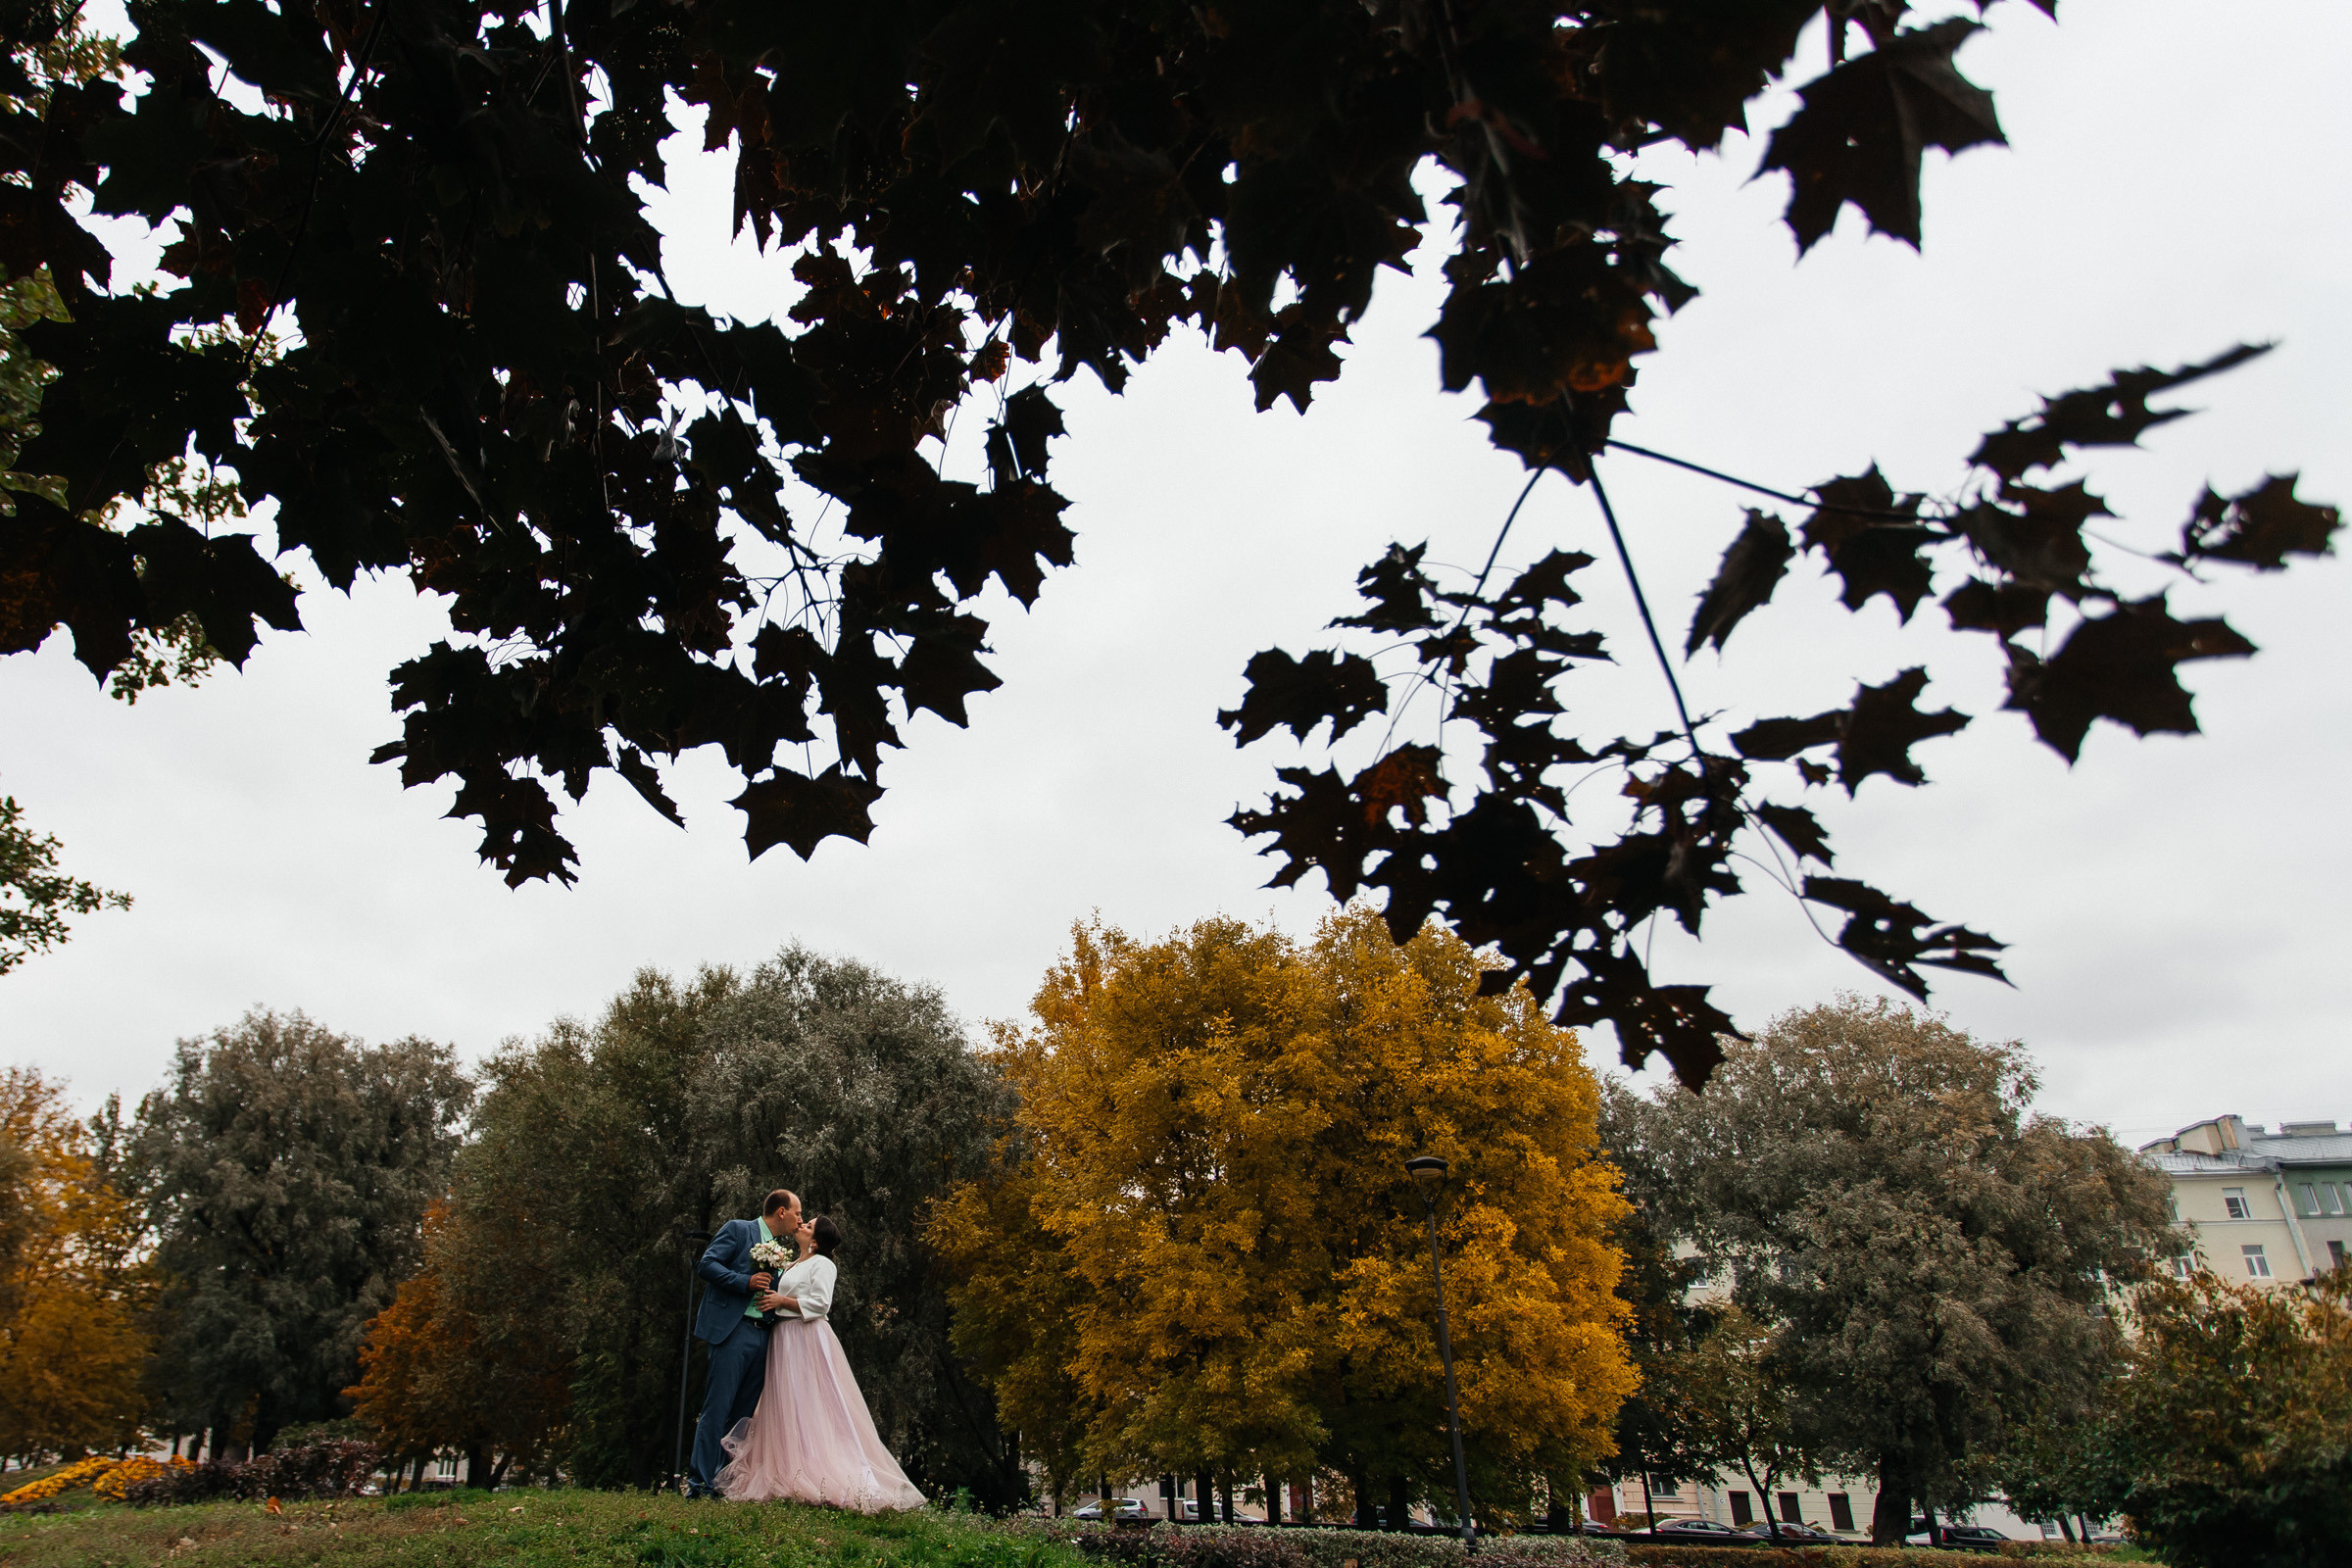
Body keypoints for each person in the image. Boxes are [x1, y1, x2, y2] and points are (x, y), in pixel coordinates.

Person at [713, 1213, 925, 1510]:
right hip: (783, 1339)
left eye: (808, 1225)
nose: (802, 1225)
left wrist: (781, 1302)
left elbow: (821, 1303)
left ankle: (820, 1471)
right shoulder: (791, 1264)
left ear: (814, 1242)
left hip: (805, 1338)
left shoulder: (823, 1264)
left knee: (810, 1401)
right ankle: (788, 1467)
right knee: (786, 1402)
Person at [687, 1189, 801, 1498]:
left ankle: (723, 1484)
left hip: (763, 1336)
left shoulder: (781, 1251)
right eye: (797, 1213)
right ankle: (699, 1484)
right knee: (717, 1408)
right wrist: (744, 1282)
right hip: (733, 1331)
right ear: (781, 1211)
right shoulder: (739, 1229)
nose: (799, 1219)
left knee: (741, 1417)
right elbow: (707, 1264)